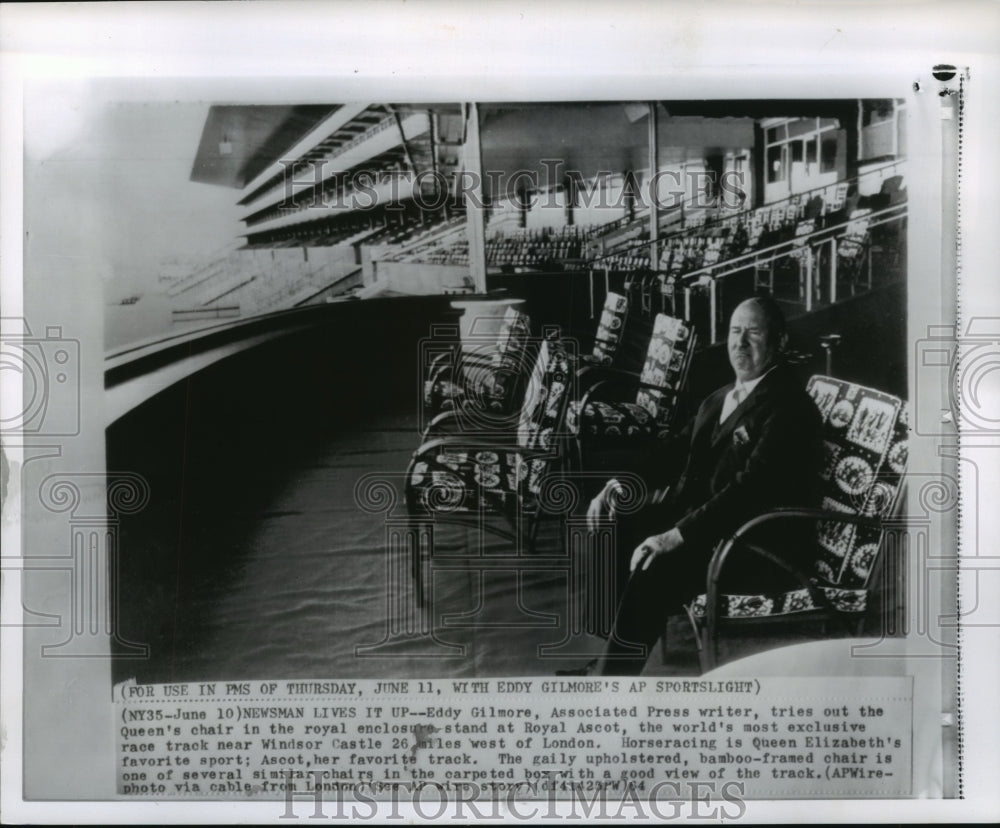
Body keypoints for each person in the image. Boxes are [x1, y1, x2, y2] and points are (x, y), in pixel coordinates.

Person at [582, 295, 823, 675]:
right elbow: (673, 450)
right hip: (712, 526)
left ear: (780, 343)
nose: (740, 343)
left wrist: (674, 536)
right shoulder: (721, 397)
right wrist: (617, 485)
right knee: (614, 525)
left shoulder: (789, 407)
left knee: (654, 565)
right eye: (734, 331)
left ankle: (611, 684)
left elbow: (748, 492)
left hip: (755, 545)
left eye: (754, 333)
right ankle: (610, 653)